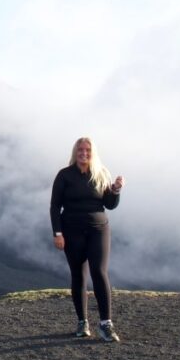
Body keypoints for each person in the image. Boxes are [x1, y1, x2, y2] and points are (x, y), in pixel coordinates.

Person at [50, 137, 125, 342]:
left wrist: (116, 190)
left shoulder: (100, 173)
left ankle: (105, 324)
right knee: (78, 275)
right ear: (75, 152)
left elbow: (109, 204)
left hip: (98, 229)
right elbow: (55, 207)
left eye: (88, 150)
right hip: (71, 230)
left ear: (93, 152)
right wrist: (58, 233)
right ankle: (83, 322)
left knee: (99, 272)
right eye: (81, 149)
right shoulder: (64, 175)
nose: (84, 153)